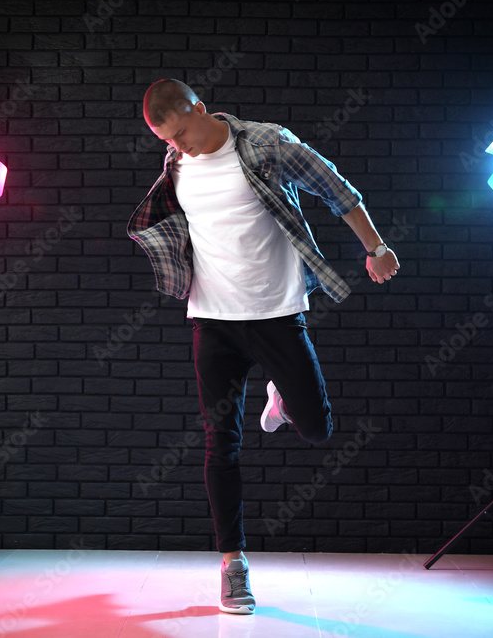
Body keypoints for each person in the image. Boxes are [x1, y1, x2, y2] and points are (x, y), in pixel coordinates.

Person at [127, 79, 399, 615]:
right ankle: (233, 564)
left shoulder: (267, 144)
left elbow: (338, 190)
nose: (179, 146)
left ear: (201, 110)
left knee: (317, 428)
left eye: (183, 133)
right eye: (168, 140)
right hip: (212, 320)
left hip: (276, 314)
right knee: (219, 444)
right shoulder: (175, 166)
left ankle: (280, 395)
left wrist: (377, 247)